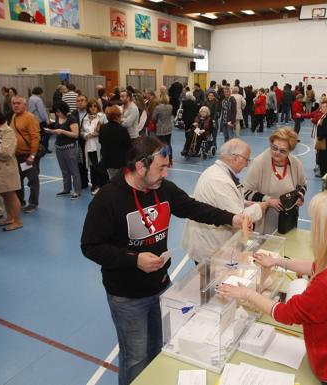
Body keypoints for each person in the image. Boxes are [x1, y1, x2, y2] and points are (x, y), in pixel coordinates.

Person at [80, 136, 249, 385]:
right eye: (161, 167)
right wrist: (134, 259)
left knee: (162, 347)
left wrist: (231, 218)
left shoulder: (164, 190)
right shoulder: (108, 199)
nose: (167, 173)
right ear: (140, 167)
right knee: (136, 357)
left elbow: (194, 208)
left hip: (161, 287)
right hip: (127, 296)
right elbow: (90, 246)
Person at [217, 189, 327, 385]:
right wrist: (278, 261)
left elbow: (287, 313)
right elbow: (317, 265)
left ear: (326, 230)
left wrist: (246, 293)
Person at [183, 139, 266, 262]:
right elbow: (238, 219)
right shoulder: (220, 180)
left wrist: (247, 203)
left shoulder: (218, 172)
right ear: (236, 158)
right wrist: (262, 206)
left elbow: (227, 200)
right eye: (246, 160)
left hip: (210, 243)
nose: (246, 165)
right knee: (210, 280)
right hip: (210, 249)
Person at [244, 128, 306, 234]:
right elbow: (246, 192)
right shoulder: (259, 163)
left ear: (290, 151)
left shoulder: (295, 163)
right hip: (264, 220)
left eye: (282, 151)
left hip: (287, 220)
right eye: (274, 148)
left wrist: (300, 195)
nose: (277, 153)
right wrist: (269, 200)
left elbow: (303, 185)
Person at [10, 96, 41, 213]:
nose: (16, 105)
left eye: (18, 103)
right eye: (14, 103)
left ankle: (33, 203)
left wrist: (32, 156)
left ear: (25, 105)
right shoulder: (13, 117)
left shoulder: (30, 118)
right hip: (16, 155)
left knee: (32, 180)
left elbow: (35, 137)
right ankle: (20, 201)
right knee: (17, 180)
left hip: (27, 156)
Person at [47, 101, 82, 199]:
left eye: (58, 111)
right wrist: (52, 131)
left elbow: (75, 134)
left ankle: (77, 191)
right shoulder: (58, 118)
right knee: (64, 171)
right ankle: (66, 189)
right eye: (56, 112)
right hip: (59, 148)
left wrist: (62, 131)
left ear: (63, 110)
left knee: (74, 170)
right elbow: (58, 130)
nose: (57, 114)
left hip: (70, 148)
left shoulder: (71, 119)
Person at [81, 100, 107, 194]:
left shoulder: (102, 116)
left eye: (95, 106)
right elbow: (82, 131)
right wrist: (85, 135)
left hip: (98, 145)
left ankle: (103, 185)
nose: (93, 108)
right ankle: (94, 185)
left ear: (98, 107)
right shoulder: (85, 118)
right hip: (89, 146)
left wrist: (98, 133)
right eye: (91, 106)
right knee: (92, 166)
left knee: (100, 166)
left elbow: (106, 129)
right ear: (88, 108)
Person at [100, 105, 132, 179]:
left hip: (108, 160)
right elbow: (129, 146)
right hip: (120, 161)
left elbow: (100, 141)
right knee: (122, 180)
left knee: (112, 179)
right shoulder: (122, 130)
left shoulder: (103, 128)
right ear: (117, 116)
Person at [71, 94, 90, 189]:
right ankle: (83, 182)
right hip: (78, 142)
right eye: (78, 100)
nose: (80, 102)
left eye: (82, 100)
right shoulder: (73, 114)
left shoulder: (90, 112)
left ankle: (96, 183)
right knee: (80, 163)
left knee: (92, 163)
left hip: (89, 141)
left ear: (86, 102)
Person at [150, 95, 174, 163]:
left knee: (162, 144)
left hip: (160, 128)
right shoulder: (170, 107)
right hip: (169, 128)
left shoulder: (158, 108)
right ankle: (170, 159)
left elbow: (153, 118)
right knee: (168, 143)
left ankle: (164, 159)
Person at [28, 87, 51, 153]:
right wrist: (46, 120)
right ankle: (45, 149)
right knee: (47, 134)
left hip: (34, 120)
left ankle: (38, 148)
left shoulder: (30, 98)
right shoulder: (38, 99)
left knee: (38, 136)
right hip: (41, 121)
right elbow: (42, 111)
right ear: (40, 92)